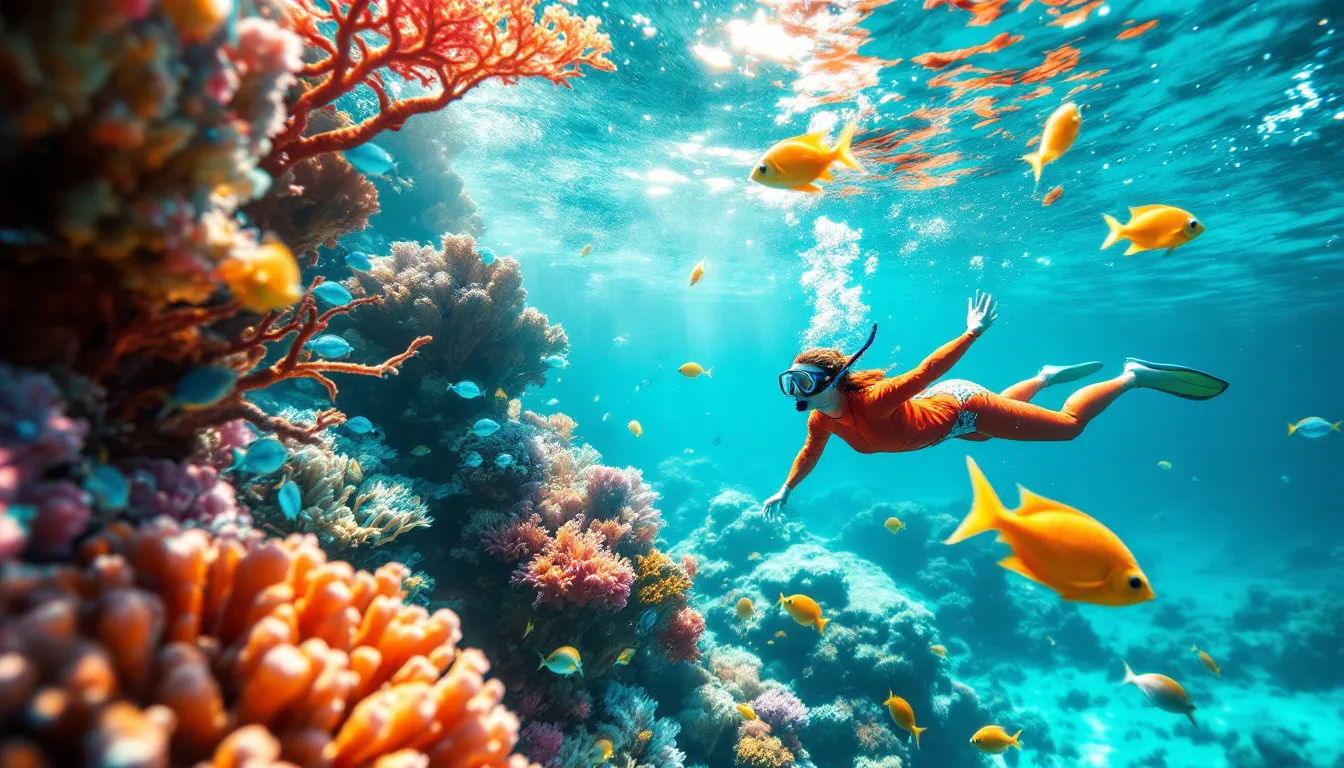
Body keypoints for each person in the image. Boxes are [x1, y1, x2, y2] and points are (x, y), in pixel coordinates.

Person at [762, 291, 1228, 519]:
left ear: (833, 379)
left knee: (1068, 427)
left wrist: (971, 332)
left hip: (966, 407)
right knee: (989, 435)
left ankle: (1133, 376)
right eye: (790, 383)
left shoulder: (877, 399)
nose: (796, 391)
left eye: (802, 380)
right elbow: (809, 454)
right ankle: (1043, 377)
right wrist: (787, 489)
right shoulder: (822, 418)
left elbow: (926, 372)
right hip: (955, 423)